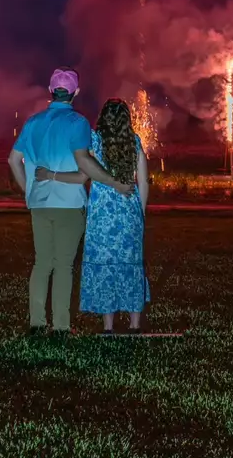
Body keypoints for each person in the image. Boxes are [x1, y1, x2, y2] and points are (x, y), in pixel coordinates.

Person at [7, 68, 131, 337]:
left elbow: (13, 160)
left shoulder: (33, 122)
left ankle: (37, 323)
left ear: (51, 91)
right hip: (69, 204)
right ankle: (61, 326)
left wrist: (28, 190)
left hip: (39, 203)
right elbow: (84, 161)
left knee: (42, 263)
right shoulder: (78, 123)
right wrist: (114, 182)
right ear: (75, 93)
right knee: (63, 265)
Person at [35, 98, 150, 335]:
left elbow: (80, 177)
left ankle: (108, 327)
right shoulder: (135, 142)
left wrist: (50, 175)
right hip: (130, 215)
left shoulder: (94, 142)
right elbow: (144, 182)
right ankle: (135, 324)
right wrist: (141, 213)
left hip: (101, 218)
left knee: (105, 266)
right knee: (130, 265)